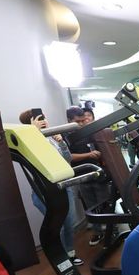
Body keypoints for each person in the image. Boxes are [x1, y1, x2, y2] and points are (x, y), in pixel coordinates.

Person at [19, 108, 83, 265]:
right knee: (57, 226)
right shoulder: (28, 141)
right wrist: (34, 132)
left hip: (63, 186)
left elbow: (67, 159)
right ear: (30, 123)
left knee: (70, 223)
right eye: (38, 119)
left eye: (44, 117)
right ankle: (60, 258)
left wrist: (61, 143)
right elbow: (34, 159)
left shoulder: (54, 138)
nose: (43, 120)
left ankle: (70, 253)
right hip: (44, 191)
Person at [63, 106, 108, 246]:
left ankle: (111, 230)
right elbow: (67, 157)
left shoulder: (89, 131)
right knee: (91, 206)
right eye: (78, 121)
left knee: (105, 203)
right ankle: (98, 232)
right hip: (82, 176)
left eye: (83, 120)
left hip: (98, 174)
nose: (82, 123)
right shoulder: (64, 136)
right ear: (69, 120)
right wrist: (88, 155)